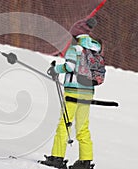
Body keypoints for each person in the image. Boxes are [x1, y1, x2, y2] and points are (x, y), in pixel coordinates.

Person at [39, 17, 101, 169]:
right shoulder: (94, 49)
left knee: (64, 123)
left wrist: (55, 70)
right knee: (83, 126)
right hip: (88, 92)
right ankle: (85, 161)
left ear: (76, 35)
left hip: (73, 92)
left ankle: (57, 157)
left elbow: (70, 67)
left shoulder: (75, 49)